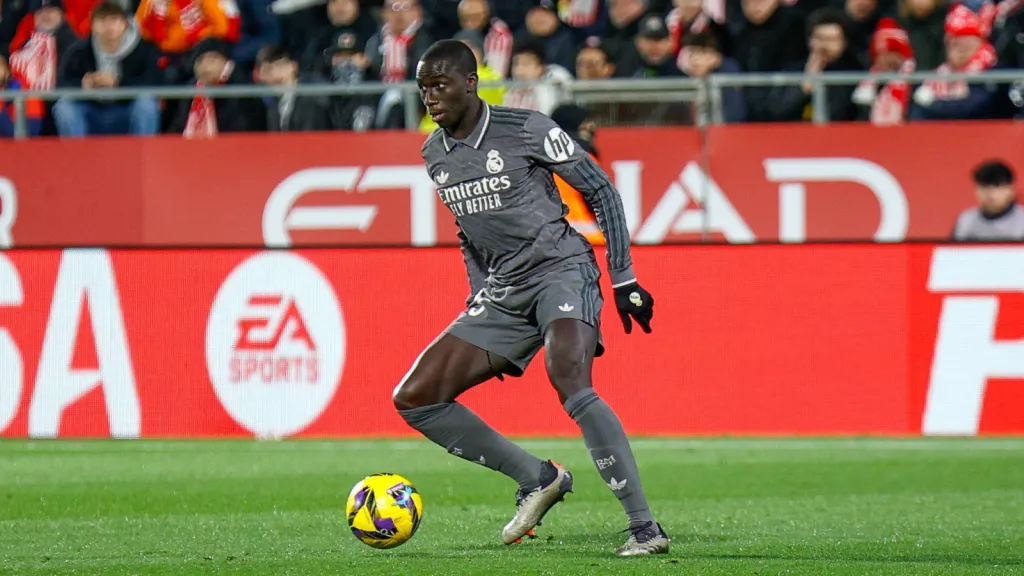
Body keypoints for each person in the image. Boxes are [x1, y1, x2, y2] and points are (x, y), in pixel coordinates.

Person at [395, 39, 669, 557]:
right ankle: (538, 478)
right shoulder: (434, 154)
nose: (430, 98)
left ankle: (645, 529)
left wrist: (624, 279)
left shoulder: (527, 128)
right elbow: (468, 233)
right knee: (415, 398)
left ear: (471, 82)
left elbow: (601, 190)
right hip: (504, 292)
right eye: (423, 88)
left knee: (568, 376)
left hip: (562, 271)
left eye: (440, 85)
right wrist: (480, 297)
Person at [952, 160, 1024, 241]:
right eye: (984, 186)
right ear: (976, 190)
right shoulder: (966, 220)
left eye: (997, 186)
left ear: (1011, 189)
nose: (990, 193)